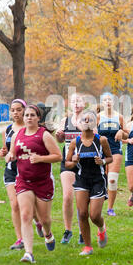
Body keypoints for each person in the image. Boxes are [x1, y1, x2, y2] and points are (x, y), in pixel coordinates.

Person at [8, 105, 62, 263]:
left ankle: (48, 233)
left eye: (32, 115)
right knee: (25, 214)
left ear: (38, 118)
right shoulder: (18, 134)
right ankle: (28, 253)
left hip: (43, 182)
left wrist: (40, 159)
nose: (29, 118)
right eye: (26, 115)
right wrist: (10, 156)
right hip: (23, 180)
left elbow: (58, 156)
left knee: (44, 219)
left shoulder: (44, 135)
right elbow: (13, 152)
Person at [65, 110, 113, 256]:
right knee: (83, 213)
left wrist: (103, 161)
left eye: (90, 119)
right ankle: (87, 247)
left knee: (94, 215)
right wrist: (73, 160)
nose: (86, 122)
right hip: (81, 180)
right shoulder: (75, 142)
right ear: (79, 123)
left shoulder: (101, 140)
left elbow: (110, 157)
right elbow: (67, 164)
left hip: (98, 180)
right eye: (84, 120)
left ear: (95, 123)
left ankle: (101, 228)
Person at [0, 99, 44, 250]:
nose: (16, 113)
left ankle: (38, 221)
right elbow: (6, 151)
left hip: (27, 170)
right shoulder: (8, 130)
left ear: (24, 111)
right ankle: (20, 239)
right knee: (15, 204)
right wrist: (3, 153)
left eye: (19, 110)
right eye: (13, 110)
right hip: (11, 170)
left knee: (29, 206)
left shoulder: (30, 127)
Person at [55, 93, 85, 245]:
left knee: (81, 199)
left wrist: (82, 128)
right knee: (67, 196)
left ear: (84, 103)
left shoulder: (89, 119)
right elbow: (60, 139)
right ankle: (68, 231)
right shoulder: (65, 120)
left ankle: (82, 231)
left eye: (78, 100)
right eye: (73, 101)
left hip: (85, 163)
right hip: (67, 161)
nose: (75, 103)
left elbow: (96, 137)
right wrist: (59, 135)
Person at [97, 92, 128, 216]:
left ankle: (110, 208)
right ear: (102, 103)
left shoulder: (119, 117)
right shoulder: (98, 117)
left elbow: (127, 134)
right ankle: (97, 203)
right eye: (105, 100)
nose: (108, 102)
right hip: (100, 151)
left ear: (113, 102)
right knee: (101, 178)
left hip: (115, 150)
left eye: (110, 99)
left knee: (112, 180)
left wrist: (121, 132)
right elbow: (92, 134)